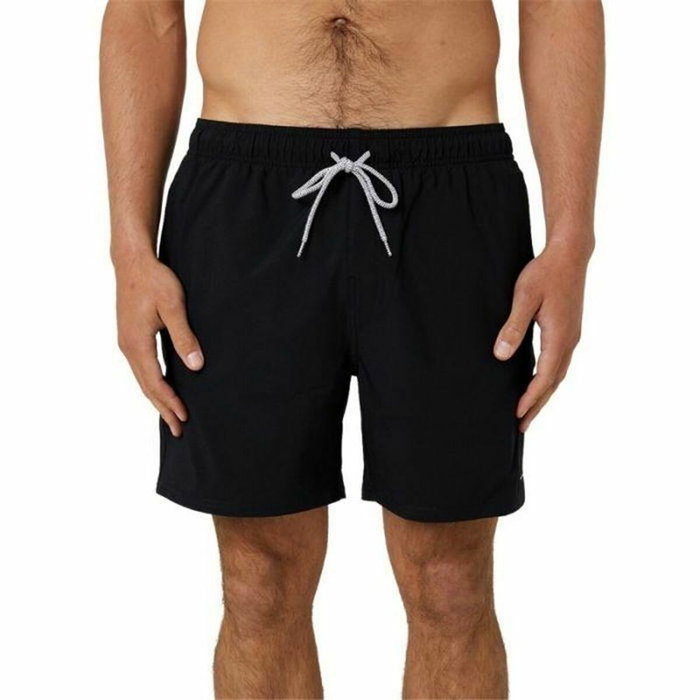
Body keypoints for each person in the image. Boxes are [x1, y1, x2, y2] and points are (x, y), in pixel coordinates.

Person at [100, 1, 604, 697]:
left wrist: (572, 238)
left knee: (451, 581)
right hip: (246, 194)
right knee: (259, 581)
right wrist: (129, 246)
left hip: (451, 190)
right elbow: (143, 12)